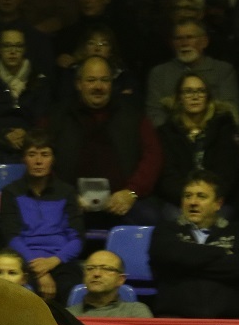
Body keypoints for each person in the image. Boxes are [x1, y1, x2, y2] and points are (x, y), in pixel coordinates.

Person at [47, 56, 162, 229]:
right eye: (91, 80)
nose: (98, 86)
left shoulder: (133, 116)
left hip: (123, 201)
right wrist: (65, 195)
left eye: (104, 80)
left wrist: (131, 192)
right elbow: (39, 159)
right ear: (78, 84)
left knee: (152, 219)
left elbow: (153, 156)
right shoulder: (57, 117)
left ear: (112, 84)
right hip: (69, 201)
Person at [149, 169, 239, 318]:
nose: (193, 202)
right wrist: (222, 252)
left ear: (218, 203)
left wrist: (184, 264)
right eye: (188, 196)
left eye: (201, 196)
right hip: (175, 318)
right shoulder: (165, 230)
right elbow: (164, 258)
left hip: (228, 320)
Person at [0, 131, 83, 302]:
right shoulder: (11, 192)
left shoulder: (66, 192)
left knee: (70, 287)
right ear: (23, 159)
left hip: (60, 261)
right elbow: (12, 238)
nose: (38, 161)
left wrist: (54, 261)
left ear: (53, 159)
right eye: (32, 154)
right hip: (24, 261)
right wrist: (40, 270)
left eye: (45, 155)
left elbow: (78, 238)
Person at [155, 71, 239, 212]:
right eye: (188, 92)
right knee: (173, 217)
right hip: (180, 201)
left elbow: (228, 173)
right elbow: (167, 177)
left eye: (201, 91)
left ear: (208, 97)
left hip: (217, 201)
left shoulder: (224, 128)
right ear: (179, 97)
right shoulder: (166, 133)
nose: (195, 96)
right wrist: (190, 199)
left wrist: (207, 199)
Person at [0, 27, 51, 165]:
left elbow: (42, 120)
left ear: (25, 49)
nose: (13, 51)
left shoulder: (39, 81)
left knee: (37, 153)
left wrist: (26, 133)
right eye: (7, 46)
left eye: (18, 46)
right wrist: (5, 134)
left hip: (29, 141)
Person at [144, 19, 239, 125]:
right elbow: (154, 113)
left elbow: (231, 110)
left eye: (190, 37)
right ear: (172, 43)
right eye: (178, 38)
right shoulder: (159, 73)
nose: (184, 43)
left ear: (204, 42)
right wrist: (175, 132)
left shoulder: (223, 71)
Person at [68, 249, 152, 317]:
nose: (96, 274)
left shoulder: (135, 312)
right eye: (90, 268)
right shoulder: (68, 315)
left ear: (120, 279)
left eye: (106, 269)